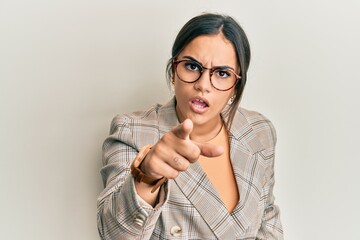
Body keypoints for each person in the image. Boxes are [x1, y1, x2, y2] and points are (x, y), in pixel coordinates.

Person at [97, 13, 283, 240]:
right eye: (192, 67)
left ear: (236, 86)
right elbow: (113, 234)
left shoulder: (259, 132)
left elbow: (268, 222)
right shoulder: (132, 131)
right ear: (174, 71)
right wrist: (146, 176)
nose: (203, 85)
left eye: (222, 73)